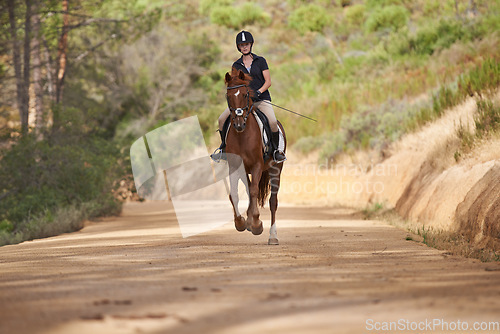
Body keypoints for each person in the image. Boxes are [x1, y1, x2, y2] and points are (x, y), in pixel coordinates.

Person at [211, 30, 286, 163]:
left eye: (246, 44)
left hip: (261, 100)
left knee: (273, 122)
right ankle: (223, 148)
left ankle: (275, 151)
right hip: (242, 103)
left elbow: (268, 81)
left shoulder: (261, 61)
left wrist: (258, 92)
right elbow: (234, 84)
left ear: (251, 45)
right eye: (241, 45)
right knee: (222, 119)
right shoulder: (236, 65)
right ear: (238, 47)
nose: (244, 47)